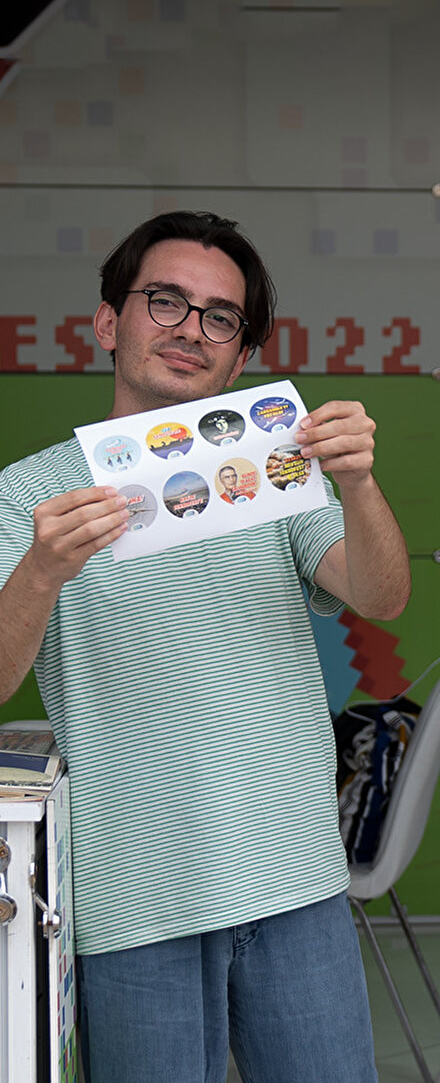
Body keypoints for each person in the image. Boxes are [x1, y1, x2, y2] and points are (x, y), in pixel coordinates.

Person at [0, 211, 411, 1083]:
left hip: (297, 880)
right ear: (108, 321)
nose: (190, 329)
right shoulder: (30, 495)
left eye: (220, 317)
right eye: (165, 301)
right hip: (133, 901)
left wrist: (358, 483)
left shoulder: (273, 470)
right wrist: (42, 570)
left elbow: (382, 596)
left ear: (242, 356)